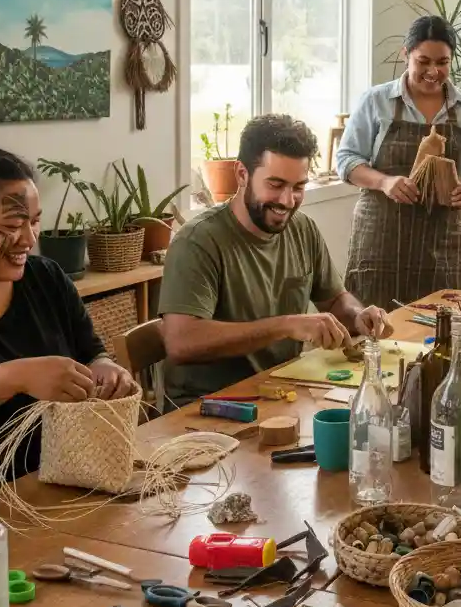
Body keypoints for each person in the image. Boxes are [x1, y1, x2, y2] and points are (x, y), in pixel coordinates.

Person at [0, 135, 135, 513]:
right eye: (12, 224)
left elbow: (92, 352)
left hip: (57, 494)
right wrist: (14, 377)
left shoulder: (46, 278)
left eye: (34, 222)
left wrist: (104, 368)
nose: (29, 239)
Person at [160, 114, 392, 403]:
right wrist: (286, 326)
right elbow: (182, 342)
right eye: (275, 184)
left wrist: (358, 317)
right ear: (242, 174)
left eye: (298, 187)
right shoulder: (198, 242)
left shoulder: (302, 228)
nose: (286, 201)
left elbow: (334, 300)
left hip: (280, 390)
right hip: (210, 407)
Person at [337, 14, 461, 311]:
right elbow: (346, 160)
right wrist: (385, 182)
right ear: (406, 54)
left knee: (451, 329)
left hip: (445, 242)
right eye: (423, 61)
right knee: (374, 331)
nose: (433, 71)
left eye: (443, 62)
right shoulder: (376, 101)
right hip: (382, 244)